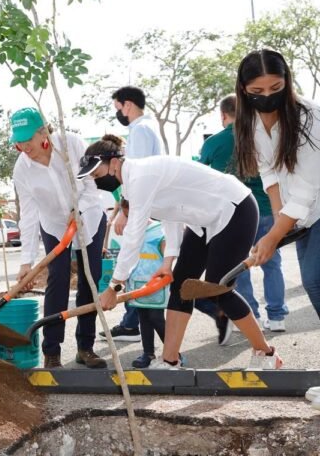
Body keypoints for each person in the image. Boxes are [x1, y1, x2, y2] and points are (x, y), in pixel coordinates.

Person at [80, 135, 282, 370]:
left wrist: (115, 286)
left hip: (234, 209)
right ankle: (169, 360)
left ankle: (266, 354)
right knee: (181, 287)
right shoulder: (131, 182)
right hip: (203, 220)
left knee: (218, 288)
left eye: (96, 174)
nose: (96, 181)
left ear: (113, 162)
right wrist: (168, 262)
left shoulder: (141, 176)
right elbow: (172, 214)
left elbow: (134, 234)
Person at [11, 108, 107, 369]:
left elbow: (91, 185)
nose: (23, 146)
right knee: (58, 280)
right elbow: (29, 215)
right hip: (54, 227)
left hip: (89, 221)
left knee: (90, 280)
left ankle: (85, 347)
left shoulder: (72, 144)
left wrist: (80, 209)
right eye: (18, 141)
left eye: (27, 139)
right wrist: (25, 262)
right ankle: (51, 352)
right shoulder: (22, 169)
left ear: (44, 131)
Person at [233, 49, 320, 320]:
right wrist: (279, 221)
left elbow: (308, 187)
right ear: (244, 90)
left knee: (315, 280)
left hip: (315, 206)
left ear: (287, 81)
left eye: (276, 87)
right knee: (313, 282)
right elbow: (268, 171)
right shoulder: (251, 121)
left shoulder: (310, 117)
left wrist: (273, 236)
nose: (267, 95)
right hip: (303, 215)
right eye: (258, 89)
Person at [200, 93, 288, 332]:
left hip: (233, 215)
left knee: (239, 269)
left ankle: (250, 315)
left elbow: (202, 179)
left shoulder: (213, 143)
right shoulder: (262, 139)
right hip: (268, 210)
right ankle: (277, 316)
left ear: (223, 115)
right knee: (273, 264)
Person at [103, 86, 164, 343]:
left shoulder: (139, 130)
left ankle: (133, 325)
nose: (119, 113)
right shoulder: (147, 128)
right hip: (150, 203)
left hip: (143, 206)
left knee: (136, 262)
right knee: (142, 267)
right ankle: (131, 324)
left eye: (118, 108)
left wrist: (125, 213)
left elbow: (133, 175)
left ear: (127, 105)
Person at [117, 198, 167, 368]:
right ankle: (148, 353)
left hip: (156, 286)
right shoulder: (131, 231)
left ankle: (172, 352)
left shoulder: (159, 231)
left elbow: (167, 257)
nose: (131, 220)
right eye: (127, 216)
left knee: (156, 318)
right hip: (137, 285)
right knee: (144, 318)